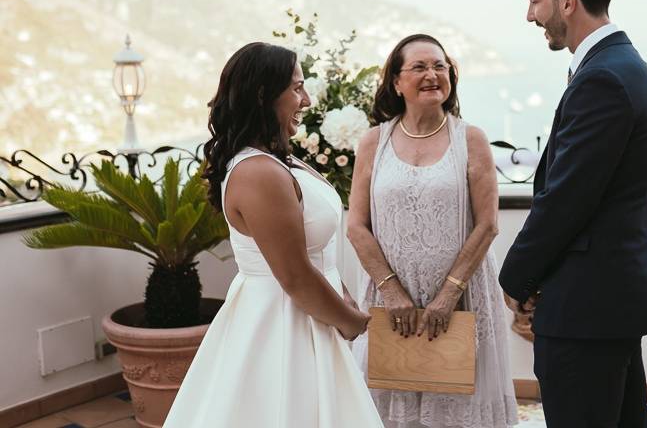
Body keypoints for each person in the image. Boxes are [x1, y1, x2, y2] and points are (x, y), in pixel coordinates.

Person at [499, 0, 647, 427]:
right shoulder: (619, 66)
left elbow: (567, 197)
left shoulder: (604, 77)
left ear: (566, 1)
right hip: (607, 301)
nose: (529, 15)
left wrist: (515, 278)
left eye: (533, 0)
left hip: (587, 306)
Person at [163, 42, 383, 428]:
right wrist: (349, 320)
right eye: (297, 88)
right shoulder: (258, 172)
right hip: (283, 323)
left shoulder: (278, 159)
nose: (308, 100)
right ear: (264, 94)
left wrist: (342, 293)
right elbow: (295, 277)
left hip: (312, 314)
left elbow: (316, 253)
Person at [349, 34, 518, 428]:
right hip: (391, 299)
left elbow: (488, 223)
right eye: (420, 67)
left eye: (440, 66)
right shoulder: (374, 142)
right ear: (396, 82)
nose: (432, 75)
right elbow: (356, 226)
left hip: (463, 296)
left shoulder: (470, 139)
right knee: (392, 408)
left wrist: (448, 293)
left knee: (458, 411)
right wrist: (391, 289)